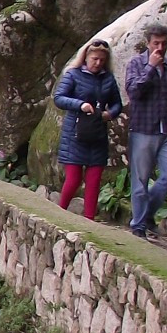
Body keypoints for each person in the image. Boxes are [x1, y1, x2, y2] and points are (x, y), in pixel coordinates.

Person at [124, 22, 167, 238]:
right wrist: (150, 67)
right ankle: (139, 226)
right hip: (143, 129)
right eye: (156, 43)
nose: (160, 47)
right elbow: (134, 92)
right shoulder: (136, 64)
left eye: (163, 43)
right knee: (140, 181)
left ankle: (146, 213)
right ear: (148, 43)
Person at [52, 38, 122, 220]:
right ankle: (59, 215)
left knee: (94, 180)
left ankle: (89, 221)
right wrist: (80, 104)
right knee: (74, 179)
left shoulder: (108, 78)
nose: (98, 63)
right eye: (94, 59)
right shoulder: (73, 74)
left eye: (101, 60)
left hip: (97, 133)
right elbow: (59, 98)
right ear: (86, 57)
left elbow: (117, 103)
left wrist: (110, 114)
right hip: (75, 134)